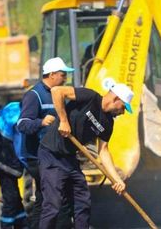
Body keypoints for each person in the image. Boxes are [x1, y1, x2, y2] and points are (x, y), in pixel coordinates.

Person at [38, 78, 134, 229]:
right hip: (52, 154)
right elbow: (57, 91)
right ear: (116, 98)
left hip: (70, 159)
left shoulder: (108, 123)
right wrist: (63, 120)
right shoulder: (90, 97)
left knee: (82, 202)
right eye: (123, 107)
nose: (122, 112)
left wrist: (117, 180)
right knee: (53, 205)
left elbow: (103, 151)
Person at [16, 57, 75, 229]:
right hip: (36, 157)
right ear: (52, 75)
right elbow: (22, 125)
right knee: (59, 194)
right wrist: (40, 122)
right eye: (63, 75)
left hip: (52, 155)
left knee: (44, 199)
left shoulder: (59, 94)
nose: (65, 78)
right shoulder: (34, 95)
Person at [0, 101, 27, 229]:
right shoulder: (22, 121)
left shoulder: (12, 106)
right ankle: (6, 225)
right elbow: (21, 150)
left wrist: (1, 129)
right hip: (5, 162)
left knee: (14, 196)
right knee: (10, 199)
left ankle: (22, 224)